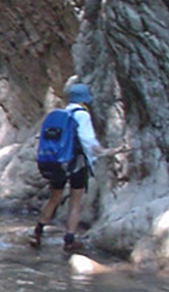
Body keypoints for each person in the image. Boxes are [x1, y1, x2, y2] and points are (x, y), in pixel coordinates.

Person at [30, 81, 123, 251]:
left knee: (54, 198)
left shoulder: (62, 114)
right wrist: (104, 152)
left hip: (57, 162)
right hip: (76, 164)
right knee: (75, 201)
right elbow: (87, 140)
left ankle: (37, 233)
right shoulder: (82, 115)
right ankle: (69, 239)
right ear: (84, 99)